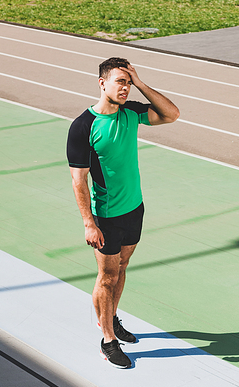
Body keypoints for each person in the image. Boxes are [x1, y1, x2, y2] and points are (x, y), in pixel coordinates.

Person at [67, 56, 179, 367]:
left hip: (134, 208)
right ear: (102, 83)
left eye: (128, 82)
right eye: (120, 81)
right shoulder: (83, 127)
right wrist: (89, 223)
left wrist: (142, 83)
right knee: (107, 276)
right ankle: (108, 340)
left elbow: (172, 114)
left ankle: (112, 318)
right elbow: (78, 179)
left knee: (123, 266)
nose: (125, 88)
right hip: (106, 215)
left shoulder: (131, 113)